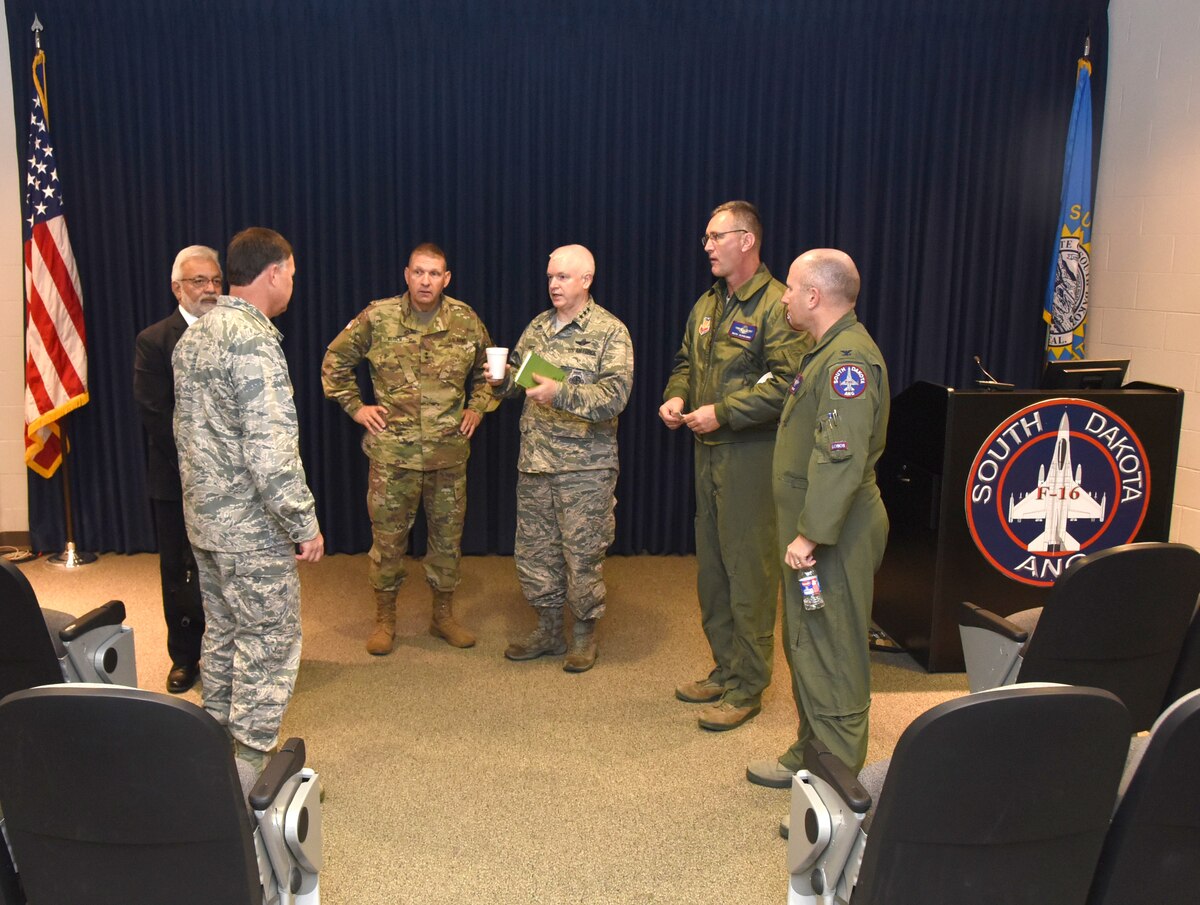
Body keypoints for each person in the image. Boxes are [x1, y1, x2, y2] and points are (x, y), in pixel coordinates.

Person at [173, 227, 324, 771]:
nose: (292, 286)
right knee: (267, 641)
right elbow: (270, 450)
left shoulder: (196, 334)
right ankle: (247, 777)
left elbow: (190, 434)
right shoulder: (253, 340)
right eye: (292, 275)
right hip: (249, 530)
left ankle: (209, 755)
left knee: (224, 633)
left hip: (206, 523)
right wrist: (303, 522)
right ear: (275, 272)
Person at [659, 201, 809, 731]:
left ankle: (749, 685)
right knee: (714, 572)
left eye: (716, 236)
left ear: (747, 240)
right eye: (706, 238)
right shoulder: (707, 305)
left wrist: (721, 412)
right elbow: (684, 362)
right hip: (707, 456)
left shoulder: (776, 305)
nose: (707, 246)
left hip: (751, 457)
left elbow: (787, 382)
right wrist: (677, 397)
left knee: (749, 572)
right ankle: (725, 667)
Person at [747, 248, 889, 788]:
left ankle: (837, 784)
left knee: (833, 648)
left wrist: (810, 534)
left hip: (833, 534)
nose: (782, 297)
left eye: (788, 288)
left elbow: (841, 455)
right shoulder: (824, 350)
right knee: (806, 639)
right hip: (815, 532)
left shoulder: (848, 362)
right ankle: (812, 753)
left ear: (813, 296)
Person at [322, 243, 493, 655]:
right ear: (406, 274)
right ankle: (385, 620)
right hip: (392, 458)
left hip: (447, 456)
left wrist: (478, 406)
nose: (426, 281)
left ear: (446, 278)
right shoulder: (378, 317)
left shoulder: (465, 320)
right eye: (419, 272)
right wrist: (356, 407)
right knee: (388, 543)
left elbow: (491, 370)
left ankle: (443, 616)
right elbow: (335, 362)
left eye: (435, 274)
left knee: (447, 542)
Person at [489, 245, 633, 672]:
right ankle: (549, 629)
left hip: (585, 468)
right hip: (535, 462)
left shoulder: (610, 331)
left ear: (586, 279)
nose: (553, 284)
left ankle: (585, 635)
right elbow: (519, 378)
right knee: (536, 553)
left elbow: (616, 396)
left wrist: (560, 392)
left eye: (563, 277)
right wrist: (500, 382)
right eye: (551, 276)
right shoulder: (537, 326)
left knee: (583, 553)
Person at [133, 246, 223, 693]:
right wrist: (198, 468)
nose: (209, 289)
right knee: (180, 572)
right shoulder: (154, 340)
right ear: (177, 288)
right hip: (176, 481)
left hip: (231, 486)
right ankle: (185, 658)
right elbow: (155, 413)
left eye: (215, 281)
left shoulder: (235, 334)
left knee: (225, 572)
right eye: (198, 282)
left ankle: (227, 655)